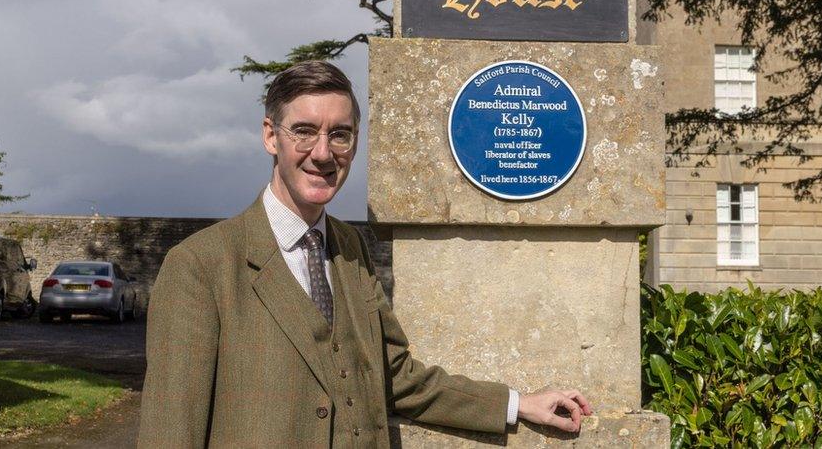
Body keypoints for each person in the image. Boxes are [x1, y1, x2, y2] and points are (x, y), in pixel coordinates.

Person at [138, 60, 592, 447]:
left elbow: (392, 376)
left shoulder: (352, 247)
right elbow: (171, 433)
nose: (322, 153)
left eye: (340, 134)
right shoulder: (200, 265)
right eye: (304, 131)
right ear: (270, 137)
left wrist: (516, 403)